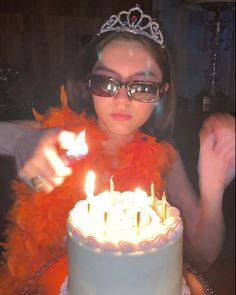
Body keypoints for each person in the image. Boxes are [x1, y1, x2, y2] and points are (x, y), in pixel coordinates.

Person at [0, 4, 235, 295]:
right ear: (88, 84)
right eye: (106, 82)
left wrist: (212, 186)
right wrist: (15, 139)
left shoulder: (166, 157)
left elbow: (203, 257)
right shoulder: (56, 136)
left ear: (162, 93)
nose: (122, 99)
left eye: (143, 86)